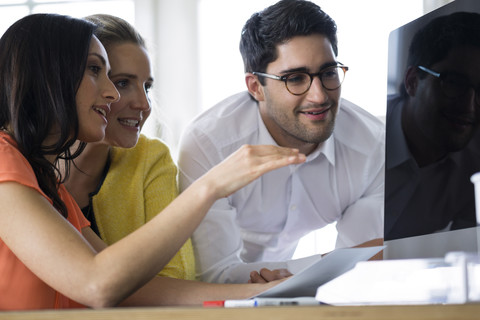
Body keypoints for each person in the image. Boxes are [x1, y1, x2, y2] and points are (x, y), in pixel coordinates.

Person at [0, 13, 305, 310]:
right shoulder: (4, 162)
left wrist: (260, 292)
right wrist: (210, 186)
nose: (109, 93)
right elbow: (98, 284)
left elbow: (128, 285)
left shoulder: (46, 184)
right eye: (94, 69)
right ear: (47, 75)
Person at [178, 0, 384, 284]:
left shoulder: (372, 147)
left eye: (328, 73)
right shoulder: (208, 144)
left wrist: (291, 276)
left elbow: (360, 269)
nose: (319, 96)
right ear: (255, 87)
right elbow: (215, 276)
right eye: (295, 78)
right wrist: (317, 269)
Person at [63, 14, 195, 281]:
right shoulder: (23, 165)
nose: (144, 105)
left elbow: (177, 274)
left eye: (146, 87)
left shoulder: (150, 159)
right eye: (122, 83)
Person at [384, 11, 480, 241]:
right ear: (412, 82)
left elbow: (466, 255)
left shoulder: (474, 165)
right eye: (454, 83)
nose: (470, 106)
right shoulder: (369, 137)